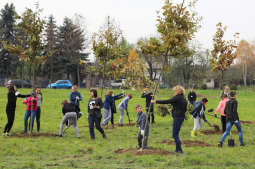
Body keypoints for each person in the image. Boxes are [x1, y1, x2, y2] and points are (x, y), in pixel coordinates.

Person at [151, 85, 187, 154]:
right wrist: (174, 110)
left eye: (174, 91)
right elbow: (181, 107)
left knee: (174, 135)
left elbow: (168, 101)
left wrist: (155, 101)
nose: (174, 92)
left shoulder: (177, 97)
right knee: (176, 134)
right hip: (181, 117)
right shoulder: (183, 97)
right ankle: (177, 150)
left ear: (177, 91)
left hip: (177, 117)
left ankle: (180, 150)